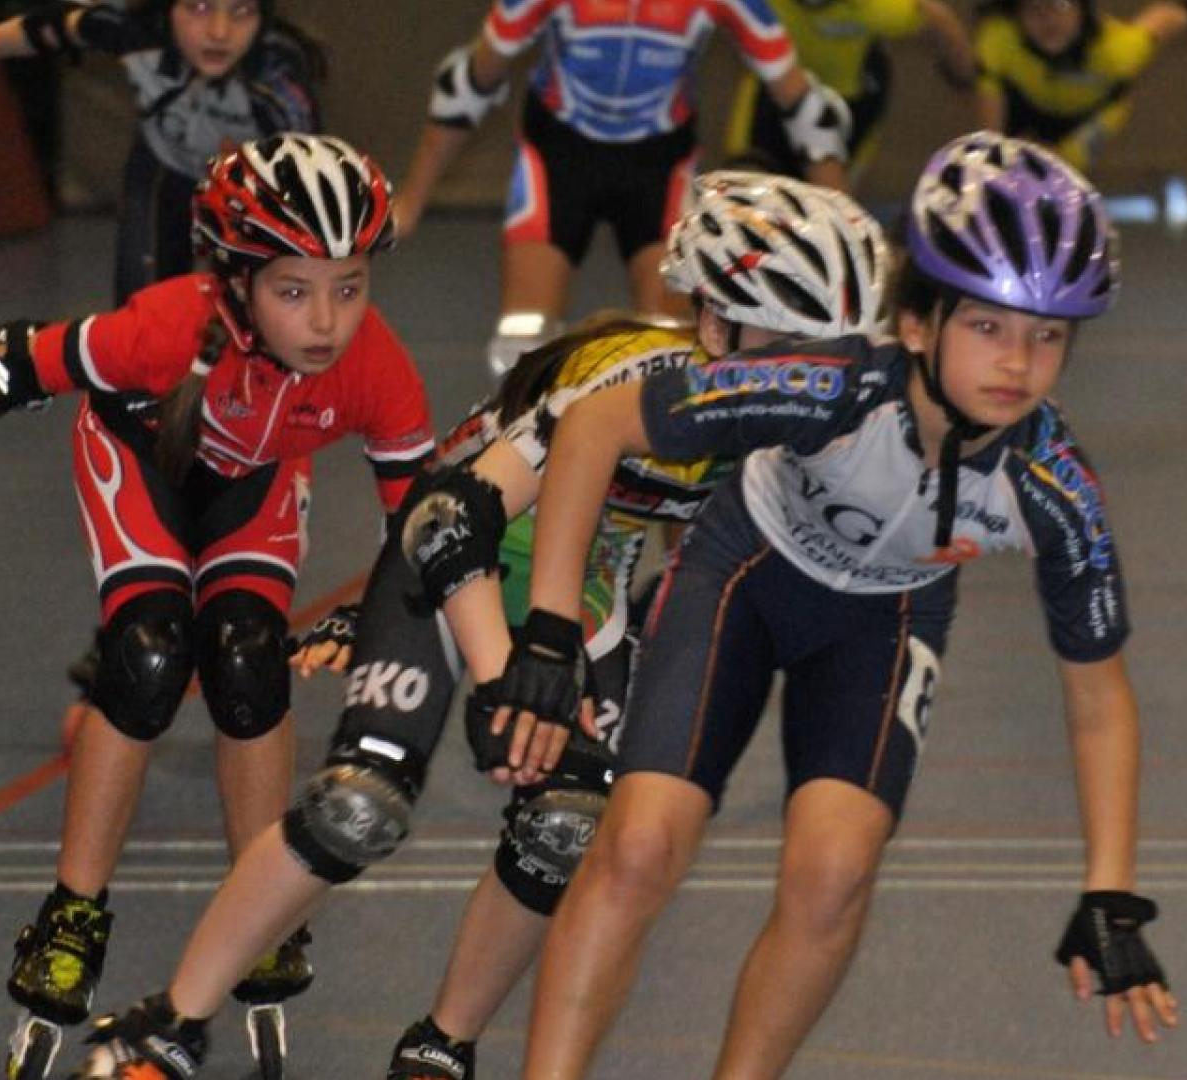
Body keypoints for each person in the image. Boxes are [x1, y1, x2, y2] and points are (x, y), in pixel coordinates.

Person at [57, 171, 889, 1080]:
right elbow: (448, 518)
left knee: (564, 824)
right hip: (456, 552)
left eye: (832, 352)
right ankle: (168, 1021)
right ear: (716, 326)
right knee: (358, 807)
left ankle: (441, 1046)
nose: (812, 379)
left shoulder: (810, 416)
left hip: (584, 581)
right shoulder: (630, 380)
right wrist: (503, 673)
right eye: (790, 350)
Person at [498, 131, 1176, 1077]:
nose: (1018, 363)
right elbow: (597, 424)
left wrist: (1111, 890)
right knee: (642, 843)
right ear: (916, 326)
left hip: (884, 621)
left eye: (1047, 336)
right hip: (744, 572)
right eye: (987, 327)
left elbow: (1099, 698)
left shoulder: (1054, 486)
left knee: (834, 874)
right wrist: (548, 628)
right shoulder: (833, 387)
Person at [0, 135, 434, 1077]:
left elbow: (422, 532)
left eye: (350, 286)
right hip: (138, 460)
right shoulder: (165, 327)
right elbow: (5, 362)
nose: (328, 321)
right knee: (147, 657)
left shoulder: (375, 364)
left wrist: (377, 616)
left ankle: (262, 907)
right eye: (295, 290)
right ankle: (72, 915)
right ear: (237, 281)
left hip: (251, 482)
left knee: (249, 659)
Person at [388, 0, 855, 376]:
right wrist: (410, 202)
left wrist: (847, 228)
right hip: (560, 160)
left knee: (671, 351)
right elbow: (466, 85)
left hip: (657, 168)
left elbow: (809, 113)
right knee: (521, 346)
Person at [0, 0, 324, 304]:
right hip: (164, 166)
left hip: (248, 186)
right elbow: (39, 30)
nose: (220, 32)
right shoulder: (135, 33)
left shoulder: (277, 72)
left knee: (262, 304)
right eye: (199, 8)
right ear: (167, 10)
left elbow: (304, 183)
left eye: (241, 11)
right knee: (143, 311)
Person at [723, 0, 978, 184]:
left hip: (850, 101)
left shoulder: (880, 9)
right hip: (773, 95)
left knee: (833, 205)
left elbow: (939, 18)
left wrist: (967, 75)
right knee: (744, 184)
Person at [974, 0, 1187, 174]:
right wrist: (992, 160)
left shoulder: (1117, 52)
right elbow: (990, 135)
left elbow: (1168, 19)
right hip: (1025, 109)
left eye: (1060, 3)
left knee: (1061, 167)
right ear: (1017, 15)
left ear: (1082, 9)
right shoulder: (998, 38)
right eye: (1033, 7)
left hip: (1087, 116)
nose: (1047, 18)